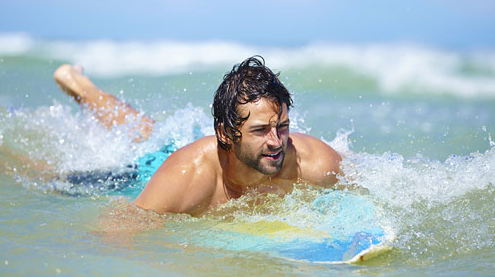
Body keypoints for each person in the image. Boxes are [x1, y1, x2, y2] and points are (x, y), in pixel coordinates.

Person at [54, 56, 342, 216]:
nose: (277, 142)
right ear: (226, 134)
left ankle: (79, 83)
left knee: (147, 130)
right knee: (60, 182)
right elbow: (119, 232)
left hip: (203, 146)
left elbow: (375, 183)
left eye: (282, 126)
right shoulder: (188, 176)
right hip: (152, 168)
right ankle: (78, 86)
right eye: (261, 130)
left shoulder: (313, 162)